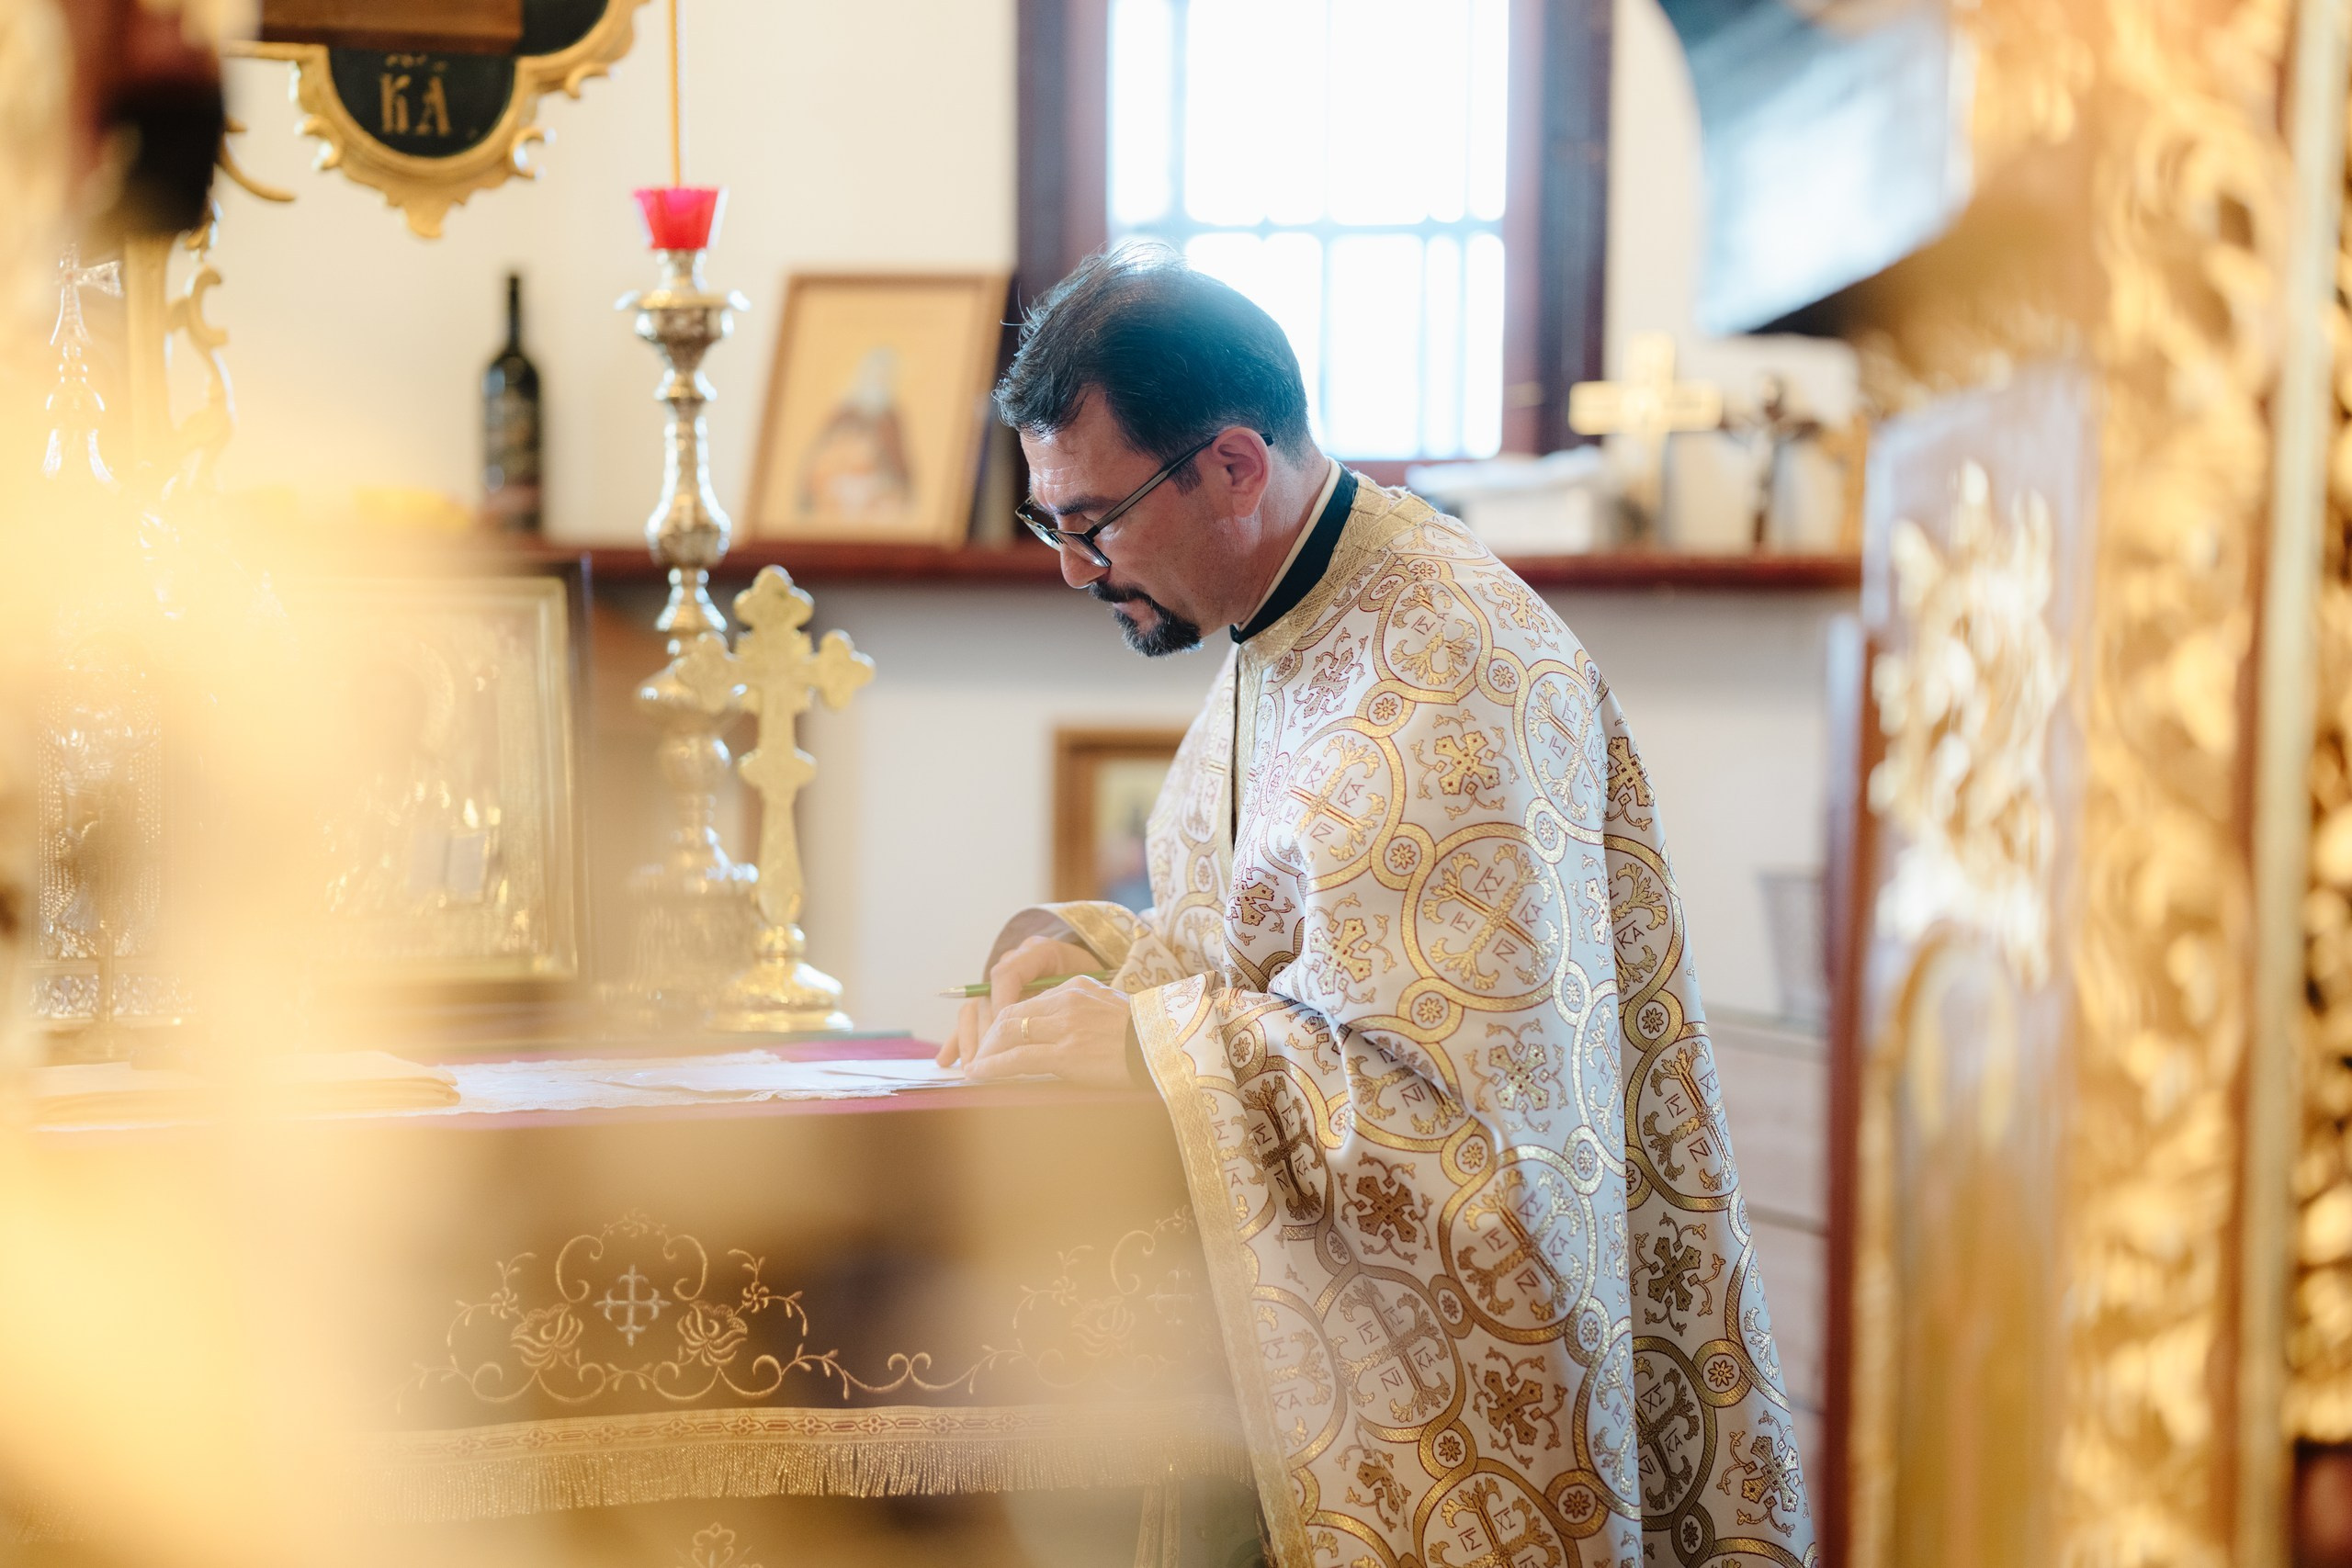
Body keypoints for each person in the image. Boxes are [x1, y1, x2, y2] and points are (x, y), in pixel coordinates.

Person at [940, 245, 1815, 1567]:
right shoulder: (1288, 628)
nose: (1073, 567)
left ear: (1233, 466)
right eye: (1050, 521)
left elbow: (1480, 1158)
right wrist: (1085, 951)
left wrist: (1145, 1049)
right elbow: (1245, 953)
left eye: (1092, 521)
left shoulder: (1452, 676)